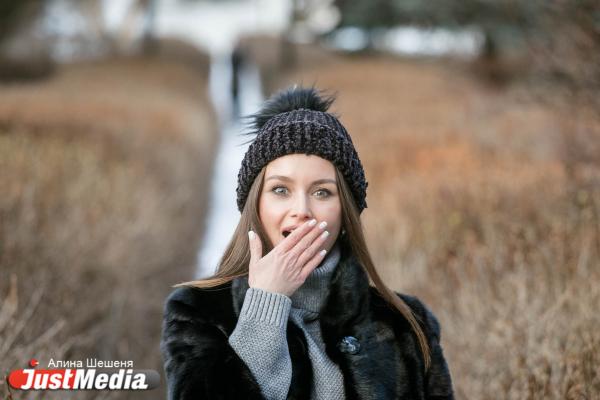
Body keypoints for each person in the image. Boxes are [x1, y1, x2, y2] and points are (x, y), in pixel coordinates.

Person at [160, 86, 455, 400]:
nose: (301, 210)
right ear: (255, 206)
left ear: (346, 211)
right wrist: (265, 307)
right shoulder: (198, 313)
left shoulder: (407, 324)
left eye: (322, 192)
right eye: (280, 190)